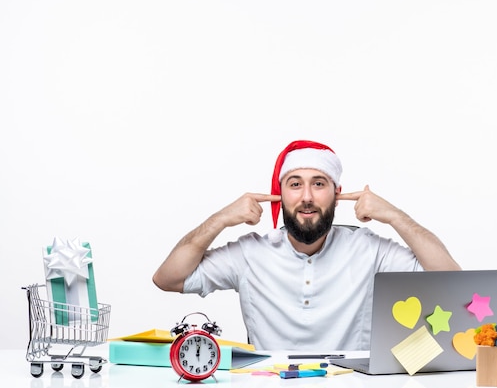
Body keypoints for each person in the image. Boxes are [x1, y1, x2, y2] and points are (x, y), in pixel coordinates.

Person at [153, 140, 460, 351]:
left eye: (319, 183)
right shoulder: (250, 253)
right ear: (280, 194)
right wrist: (220, 219)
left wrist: (393, 215)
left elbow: (451, 279)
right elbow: (167, 278)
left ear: (337, 193)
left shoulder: (368, 249)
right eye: (295, 184)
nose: (307, 197)